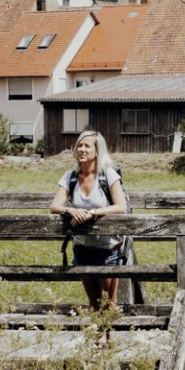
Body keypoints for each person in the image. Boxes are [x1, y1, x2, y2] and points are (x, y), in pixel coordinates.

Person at [50, 130, 127, 317]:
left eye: (87, 146)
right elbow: (54, 206)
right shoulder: (71, 176)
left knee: (108, 304)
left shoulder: (108, 175)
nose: (81, 149)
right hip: (82, 247)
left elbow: (121, 207)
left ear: (98, 150)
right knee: (93, 302)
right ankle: (96, 334)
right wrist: (69, 210)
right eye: (79, 145)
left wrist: (93, 213)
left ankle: (106, 335)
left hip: (108, 248)